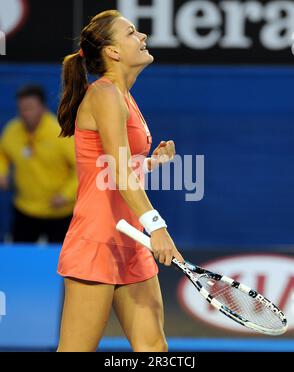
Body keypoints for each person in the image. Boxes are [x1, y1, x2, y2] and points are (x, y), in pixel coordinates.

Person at [56, 10, 184, 352]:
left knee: (154, 348)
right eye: (131, 32)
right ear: (112, 52)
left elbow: (114, 168)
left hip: (131, 242)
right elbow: (118, 171)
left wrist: (152, 162)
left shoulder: (125, 97)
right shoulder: (105, 94)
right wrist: (157, 226)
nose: (142, 36)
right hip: (96, 242)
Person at [0, 85, 77, 243]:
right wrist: (1, 173)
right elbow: (2, 154)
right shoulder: (12, 131)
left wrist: (66, 195)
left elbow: (82, 168)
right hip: (25, 209)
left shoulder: (61, 133)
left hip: (59, 212)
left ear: (42, 107)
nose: (24, 113)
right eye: (21, 109)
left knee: (59, 261)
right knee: (21, 257)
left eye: (29, 108)